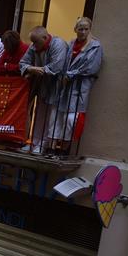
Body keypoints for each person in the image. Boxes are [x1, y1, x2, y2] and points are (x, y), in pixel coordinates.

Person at [54, 17, 103, 153]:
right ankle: (57, 147)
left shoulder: (95, 46)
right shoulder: (71, 44)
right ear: (75, 30)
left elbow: (91, 67)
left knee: (72, 119)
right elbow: (65, 62)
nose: (83, 32)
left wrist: (70, 74)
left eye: (86, 29)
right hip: (66, 87)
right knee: (61, 117)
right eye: (80, 29)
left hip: (79, 87)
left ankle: (65, 148)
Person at [19, 26, 69, 154]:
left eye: (36, 42)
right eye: (32, 42)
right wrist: (32, 69)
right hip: (41, 85)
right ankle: (34, 143)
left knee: (51, 117)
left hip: (56, 86)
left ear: (45, 37)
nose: (33, 46)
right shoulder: (34, 46)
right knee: (39, 114)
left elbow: (56, 67)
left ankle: (43, 145)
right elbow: (23, 62)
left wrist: (35, 69)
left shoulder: (59, 44)